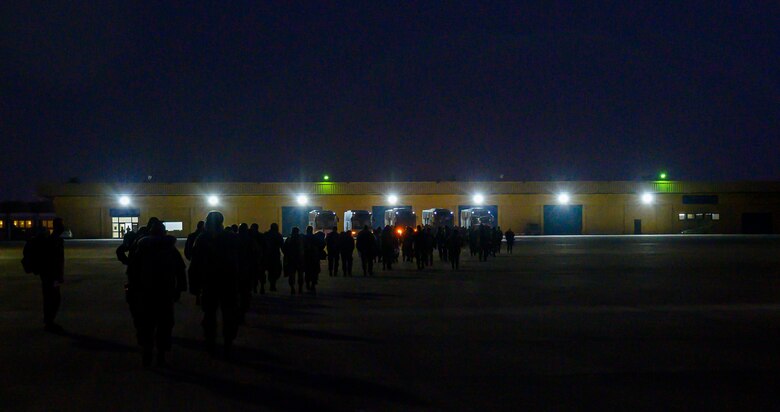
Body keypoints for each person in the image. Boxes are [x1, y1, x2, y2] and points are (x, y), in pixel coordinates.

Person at [131, 220, 187, 367]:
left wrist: (133, 289)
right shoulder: (170, 249)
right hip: (165, 292)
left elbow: (133, 270)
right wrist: (180, 288)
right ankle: (161, 353)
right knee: (165, 324)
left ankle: (147, 351)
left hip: (145, 292)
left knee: (146, 323)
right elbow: (180, 270)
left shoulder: (141, 248)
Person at [188, 211, 240, 356]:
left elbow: (195, 262)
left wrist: (194, 284)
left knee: (209, 313)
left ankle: (210, 341)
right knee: (229, 313)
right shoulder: (231, 238)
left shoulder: (202, 239)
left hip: (209, 281)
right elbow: (240, 260)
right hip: (228, 281)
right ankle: (228, 341)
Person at [24, 220, 65, 333]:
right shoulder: (52, 241)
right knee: (52, 298)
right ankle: (49, 321)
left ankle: (49, 321)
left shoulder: (53, 240)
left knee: (51, 297)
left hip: (48, 274)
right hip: (50, 275)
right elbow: (56, 260)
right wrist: (58, 276)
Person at [236, 223, 259, 323]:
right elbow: (256, 253)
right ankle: (243, 311)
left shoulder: (233, 239)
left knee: (236, 292)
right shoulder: (250, 240)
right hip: (247, 269)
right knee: (245, 291)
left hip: (235, 269)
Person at [283, 227, 305, 294]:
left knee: (291, 275)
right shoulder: (301, 239)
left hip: (291, 260)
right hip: (299, 259)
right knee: (300, 275)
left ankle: (292, 288)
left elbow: (284, 249)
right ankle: (300, 289)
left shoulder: (289, 239)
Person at [303, 226, 325, 294]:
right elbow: (322, 244)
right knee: (314, 271)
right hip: (314, 257)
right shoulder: (316, 237)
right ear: (312, 230)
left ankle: (307, 284)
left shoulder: (304, 238)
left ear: (306, 230)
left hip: (306, 257)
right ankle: (313, 284)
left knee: (307, 271)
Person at [265, 223, 283, 292]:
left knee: (270, 270)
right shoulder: (278, 235)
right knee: (275, 270)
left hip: (268, 255)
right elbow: (282, 245)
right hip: (275, 255)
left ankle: (272, 284)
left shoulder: (267, 235)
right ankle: (273, 284)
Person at [250, 223, 267, 293]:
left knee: (254, 274)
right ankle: (261, 287)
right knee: (261, 274)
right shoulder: (261, 236)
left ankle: (255, 287)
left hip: (253, 259)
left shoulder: (249, 237)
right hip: (260, 258)